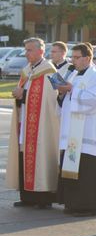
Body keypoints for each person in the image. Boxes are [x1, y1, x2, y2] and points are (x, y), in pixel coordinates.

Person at [7, 38, 60, 209]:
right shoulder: (27, 70)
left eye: (30, 50)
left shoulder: (50, 71)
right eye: (26, 50)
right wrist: (20, 95)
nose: (26, 53)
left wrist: (24, 93)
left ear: (41, 52)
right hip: (26, 121)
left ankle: (43, 198)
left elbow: (54, 96)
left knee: (41, 157)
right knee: (24, 155)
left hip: (42, 125)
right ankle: (27, 196)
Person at [57, 43, 96, 217]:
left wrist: (72, 90)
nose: (73, 60)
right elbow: (66, 101)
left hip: (87, 132)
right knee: (72, 168)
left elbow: (93, 100)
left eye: (77, 57)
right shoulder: (72, 74)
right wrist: (62, 92)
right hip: (72, 132)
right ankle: (73, 203)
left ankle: (88, 205)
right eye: (72, 57)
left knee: (87, 170)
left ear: (88, 58)